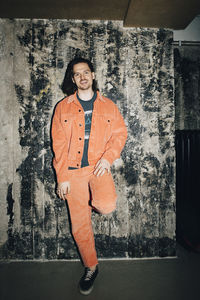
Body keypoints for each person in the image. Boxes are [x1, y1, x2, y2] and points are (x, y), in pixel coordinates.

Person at [51, 57, 127, 295]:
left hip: (98, 167)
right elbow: (59, 144)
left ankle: (89, 202)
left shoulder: (108, 105)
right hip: (72, 172)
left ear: (93, 75)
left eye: (86, 72)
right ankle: (91, 267)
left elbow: (120, 134)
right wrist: (61, 177)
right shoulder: (63, 107)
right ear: (73, 79)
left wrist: (108, 157)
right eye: (77, 74)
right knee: (79, 225)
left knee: (105, 205)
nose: (82, 77)